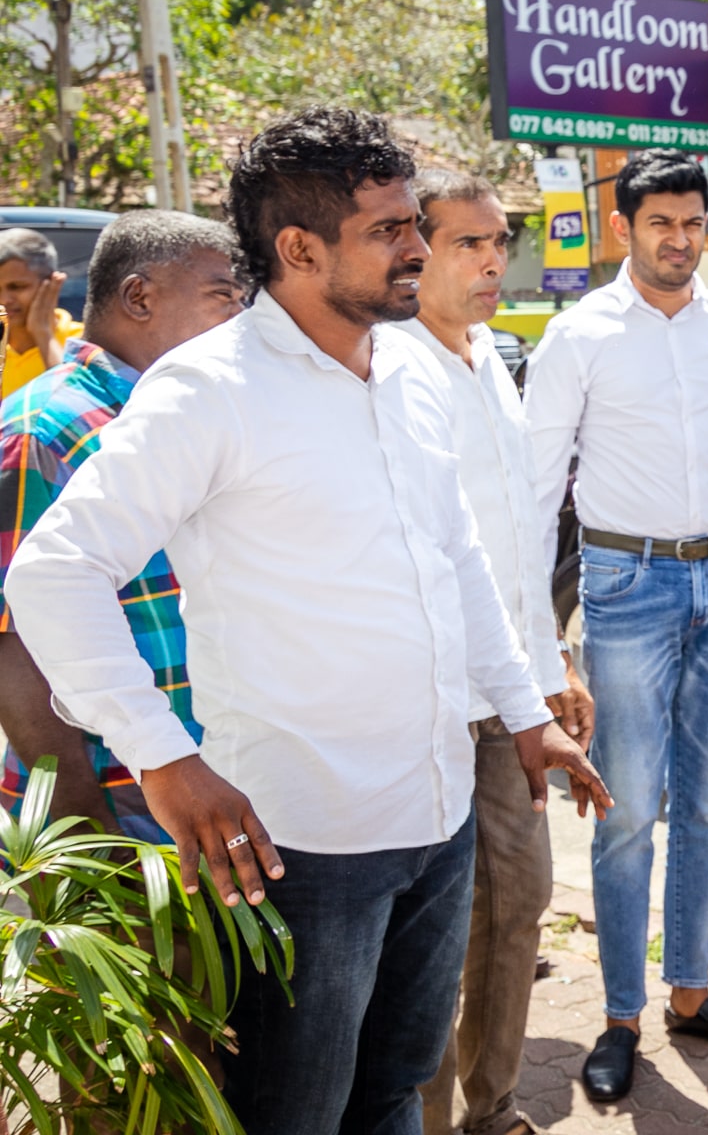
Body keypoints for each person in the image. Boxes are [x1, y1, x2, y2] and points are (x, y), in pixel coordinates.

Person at [5, 106, 610, 1135]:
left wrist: (521, 711)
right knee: (294, 1109)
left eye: (414, 221)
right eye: (389, 229)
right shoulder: (210, 388)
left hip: (437, 812)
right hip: (302, 844)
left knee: (395, 1088)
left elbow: (456, 556)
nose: (419, 246)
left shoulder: (412, 372)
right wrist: (163, 756)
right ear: (298, 248)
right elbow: (53, 573)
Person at [523, 149, 708, 1101]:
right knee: (627, 811)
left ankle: (692, 994)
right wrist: (533, 635)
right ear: (623, 230)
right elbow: (534, 489)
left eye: (692, 223)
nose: (678, 240)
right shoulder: (579, 335)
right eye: (659, 224)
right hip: (625, 583)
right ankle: (620, 1018)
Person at [397, 170, 595, 1135]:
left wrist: (553, 667)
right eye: (466, 242)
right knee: (446, 931)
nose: (490, 261)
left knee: (522, 905)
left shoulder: (490, 363)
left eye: (499, 241)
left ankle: (495, 1108)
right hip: (437, 704)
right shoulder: (389, 370)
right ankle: (429, 1120)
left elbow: (517, 543)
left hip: (515, 697)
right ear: (413, 248)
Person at [0, 210, 244, 839]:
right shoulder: (43, 429)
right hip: (117, 807)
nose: (240, 322)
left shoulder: (191, 415)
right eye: (223, 296)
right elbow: (11, 648)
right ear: (139, 296)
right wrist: (92, 839)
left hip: (205, 783)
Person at [0, 228, 85, 398]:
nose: (4, 299)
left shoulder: (83, 341)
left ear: (51, 283)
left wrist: (44, 335)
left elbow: (77, 408)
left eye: (16, 287)